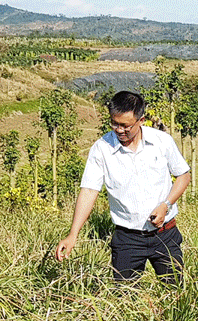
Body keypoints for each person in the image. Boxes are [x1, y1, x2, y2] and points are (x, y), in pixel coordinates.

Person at [55, 90, 191, 281]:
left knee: (175, 291)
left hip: (165, 235)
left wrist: (166, 205)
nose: (119, 130)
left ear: (141, 120)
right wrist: (72, 234)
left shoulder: (162, 142)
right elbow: (88, 191)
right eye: (114, 124)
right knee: (124, 298)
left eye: (125, 125)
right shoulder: (101, 149)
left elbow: (183, 175)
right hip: (127, 240)